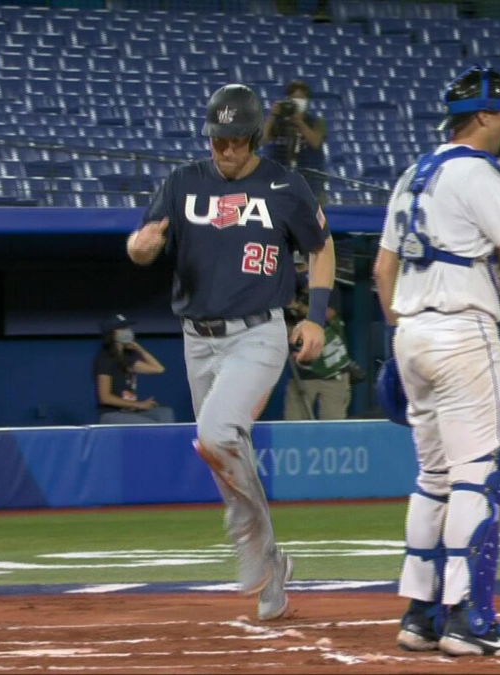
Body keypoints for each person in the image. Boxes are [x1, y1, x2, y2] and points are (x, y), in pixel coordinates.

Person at [127, 83, 335, 622]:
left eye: (235, 140)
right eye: (218, 140)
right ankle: (271, 563)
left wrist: (315, 317)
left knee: (216, 435)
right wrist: (143, 246)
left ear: (254, 137)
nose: (226, 150)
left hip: (258, 332)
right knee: (221, 454)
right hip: (197, 338)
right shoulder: (182, 181)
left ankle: (250, 543)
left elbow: (321, 246)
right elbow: (141, 243)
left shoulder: (285, 184)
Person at [372, 65, 500, 657]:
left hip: (412, 331)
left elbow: (382, 272)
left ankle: (420, 614)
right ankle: (468, 619)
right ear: (482, 116)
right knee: (479, 476)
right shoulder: (474, 171)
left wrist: (406, 339)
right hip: (461, 331)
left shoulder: (412, 172)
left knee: (433, 480)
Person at [283, 253, 354, 420]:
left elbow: (328, 314)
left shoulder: (328, 287)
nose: (299, 273)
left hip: (333, 372)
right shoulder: (287, 292)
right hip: (303, 373)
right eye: (295, 268)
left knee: (333, 426)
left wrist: (298, 306)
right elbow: (285, 331)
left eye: (301, 267)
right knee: (294, 425)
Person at [94, 313, 175, 424]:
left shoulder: (128, 357)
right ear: (112, 333)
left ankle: (167, 442)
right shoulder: (104, 359)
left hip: (131, 411)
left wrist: (138, 348)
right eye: (123, 328)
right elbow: (105, 397)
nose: (128, 331)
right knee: (150, 426)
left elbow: (158, 369)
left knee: (165, 413)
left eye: (127, 327)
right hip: (112, 414)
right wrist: (139, 404)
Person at [261, 80, 328, 205]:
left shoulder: (317, 122)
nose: (298, 101)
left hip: (310, 180)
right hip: (280, 179)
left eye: (301, 98)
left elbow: (315, 142)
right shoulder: (279, 122)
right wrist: (272, 116)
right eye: (294, 97)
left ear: (307, 101)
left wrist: (299, 122)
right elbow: (262, 139)